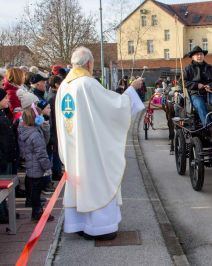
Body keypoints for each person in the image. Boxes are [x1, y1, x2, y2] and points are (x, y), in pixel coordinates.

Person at [55, 47, 145, 240]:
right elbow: (113, 107)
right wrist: (132, 89)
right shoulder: (87, 84)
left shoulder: (64, 86)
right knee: (98, 181)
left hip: (73, 147)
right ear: (88, 63)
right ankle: (99, 227)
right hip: (90, 149)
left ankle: (79, 223)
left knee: (80, 183)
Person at [18, 99, 54, 222]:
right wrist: (47, 167)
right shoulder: (34, 135)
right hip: (37, 167)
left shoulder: (26, 130)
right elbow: (42, 152)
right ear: (35, 119)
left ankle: (36, 212)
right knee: (36, 193)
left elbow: (45, 141)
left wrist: (45, 127)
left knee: (34, 192)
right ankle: (38, 213)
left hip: (30, 166)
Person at [183, 46, 212, 127]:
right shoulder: (188, 69)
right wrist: (197, 85)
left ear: (203, 56)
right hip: (195, 94)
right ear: (193, 57)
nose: (199, 56)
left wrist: (210, 85)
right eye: (197, 55)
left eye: (201, 54)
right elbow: (184, 82)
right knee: (200, 106)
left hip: (209, 93)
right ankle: (208, 126)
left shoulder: (210, 67)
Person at [0, 90, 18, 223]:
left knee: (7, 187)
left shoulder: (3, 114)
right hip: (2, 159)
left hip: (8, 156)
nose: (8, 100)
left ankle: (6, 211)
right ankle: (2, 214)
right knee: (2, 189)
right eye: (5, 98)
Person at [47, 75, 63, 181]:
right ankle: (56, 172)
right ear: (57, 84)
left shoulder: (54, 96)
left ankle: (57, 170)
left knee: (56, 151)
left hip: (55, 129)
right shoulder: (53, 98)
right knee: (55, 152)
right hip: (54, 130)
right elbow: (53, 117)